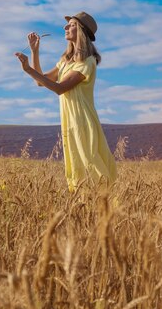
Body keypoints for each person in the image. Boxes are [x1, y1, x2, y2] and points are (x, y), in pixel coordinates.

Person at [15, 11, 117, 191]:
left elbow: (60, 88)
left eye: (71, 24)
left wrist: (28, 70)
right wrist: (34, 52)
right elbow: (41, 81)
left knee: (90, 161)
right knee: (77, 163)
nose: (65, 27)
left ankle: (104, 203)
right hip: (69, 121)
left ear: (82, 31)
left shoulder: (87, 61)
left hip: (82, 120)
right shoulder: (66, 60)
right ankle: (85, 204)